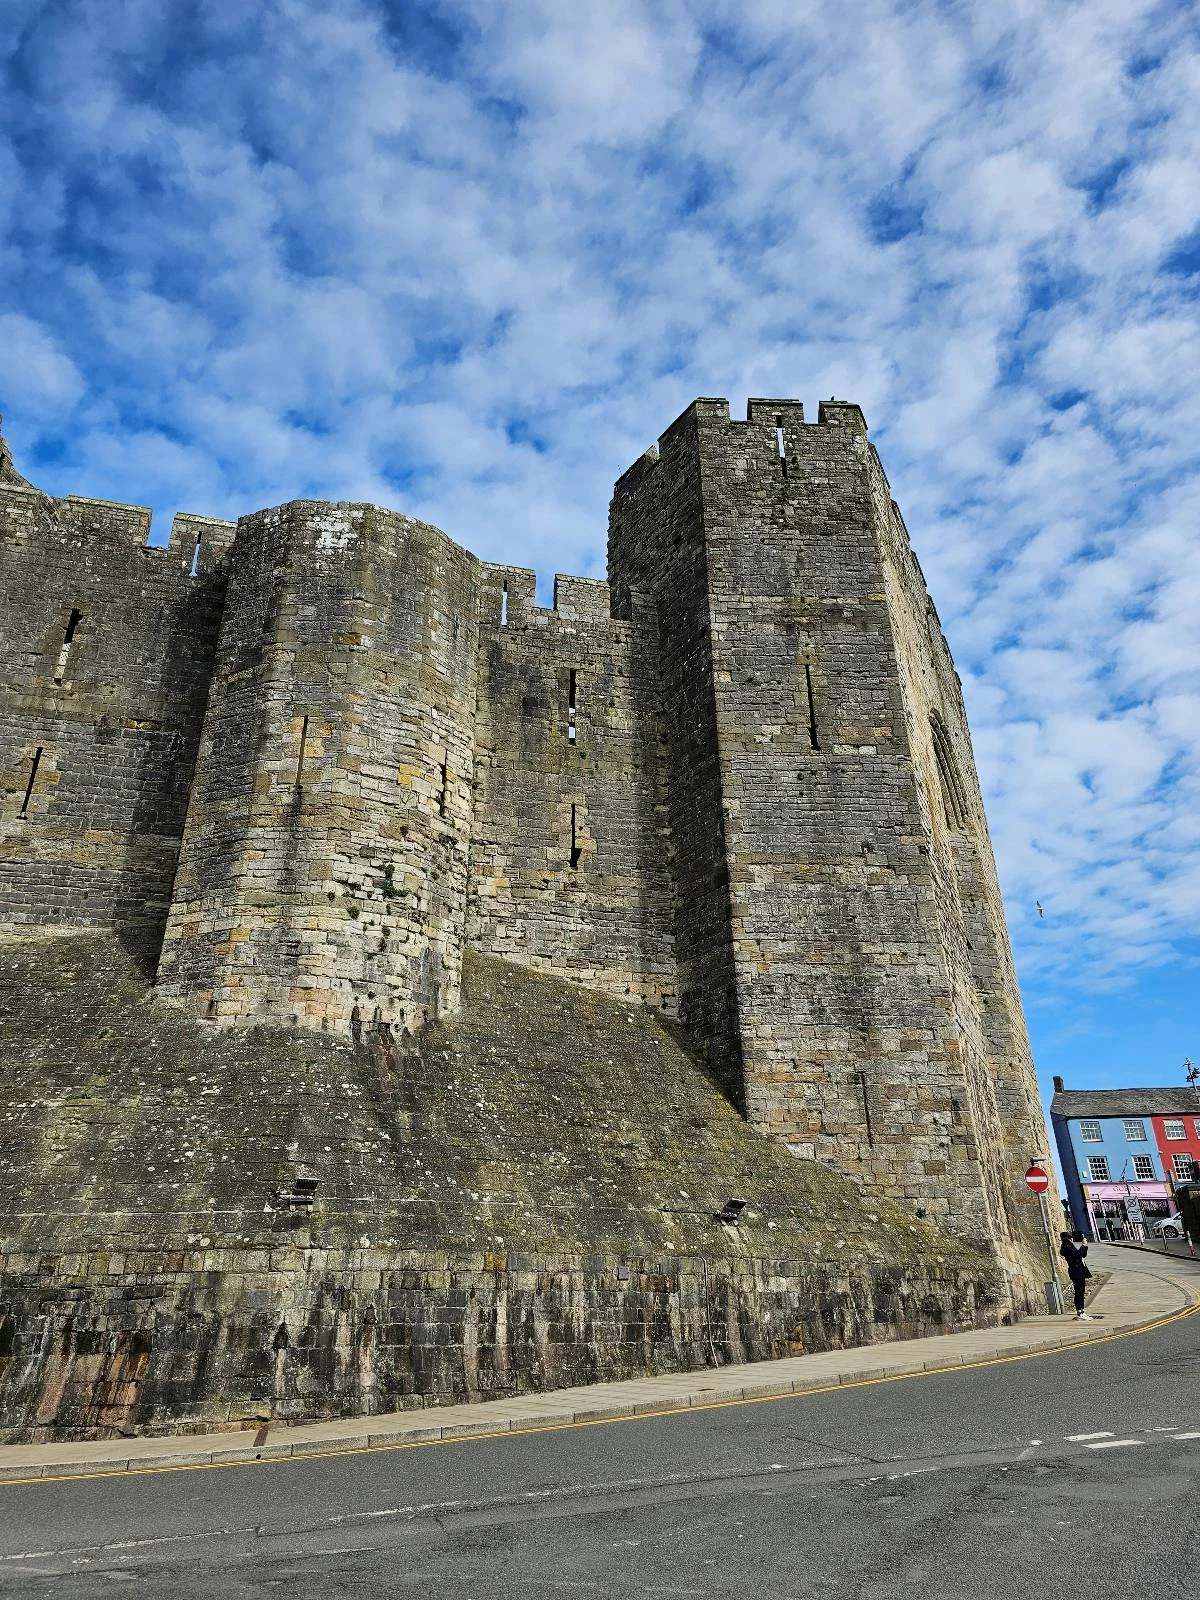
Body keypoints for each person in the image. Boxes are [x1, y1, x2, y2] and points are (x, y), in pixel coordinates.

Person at [1059, 1229, 1093, 1319]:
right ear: (1068, 1239)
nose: (1072, 1240)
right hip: (1076, 1272)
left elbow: (1082, 1255)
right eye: (1070, 1238)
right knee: (1079, 1292)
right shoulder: (1066, 1246)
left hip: (1079, 1271)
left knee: (1081, 1292)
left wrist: (1085, 1246)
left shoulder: (1069, 1245)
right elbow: (1077, 1254)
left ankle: (1081, 1311)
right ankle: (1080, 1311)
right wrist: (1083, 1245)